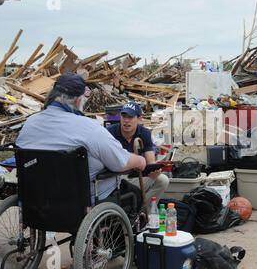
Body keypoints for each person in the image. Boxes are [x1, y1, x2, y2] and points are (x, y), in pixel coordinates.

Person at [16, 73, 146, 203]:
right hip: (81, 204)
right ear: (78, 100)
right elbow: (120, 163)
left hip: (37, 202)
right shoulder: (89, 128)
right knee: (135, 195)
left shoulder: (29, 123)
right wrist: (140, 161)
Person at [107, 101, 169, 204]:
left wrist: (154, 171)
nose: (126, 121)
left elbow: (151, 162)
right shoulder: (110, 132)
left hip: (134, 176)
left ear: (139, 119)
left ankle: (143, 212)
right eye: (124, 116)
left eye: (130, 117)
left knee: (162, 180)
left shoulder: (144, 133)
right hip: (114, 177)